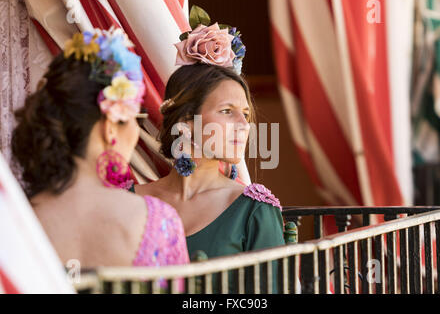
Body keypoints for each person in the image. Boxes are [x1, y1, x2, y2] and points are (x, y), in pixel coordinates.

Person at [11, 29, 189, 271]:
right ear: (110, 127)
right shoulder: (157, 222)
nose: (135, 134)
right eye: (134, 120)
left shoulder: (13, 224)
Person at [132, 16, 285, 292]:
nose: (243, 125)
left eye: (246, 114)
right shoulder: (128, 201)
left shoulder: (255, 212)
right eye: (227, 111)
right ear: (187, 121)